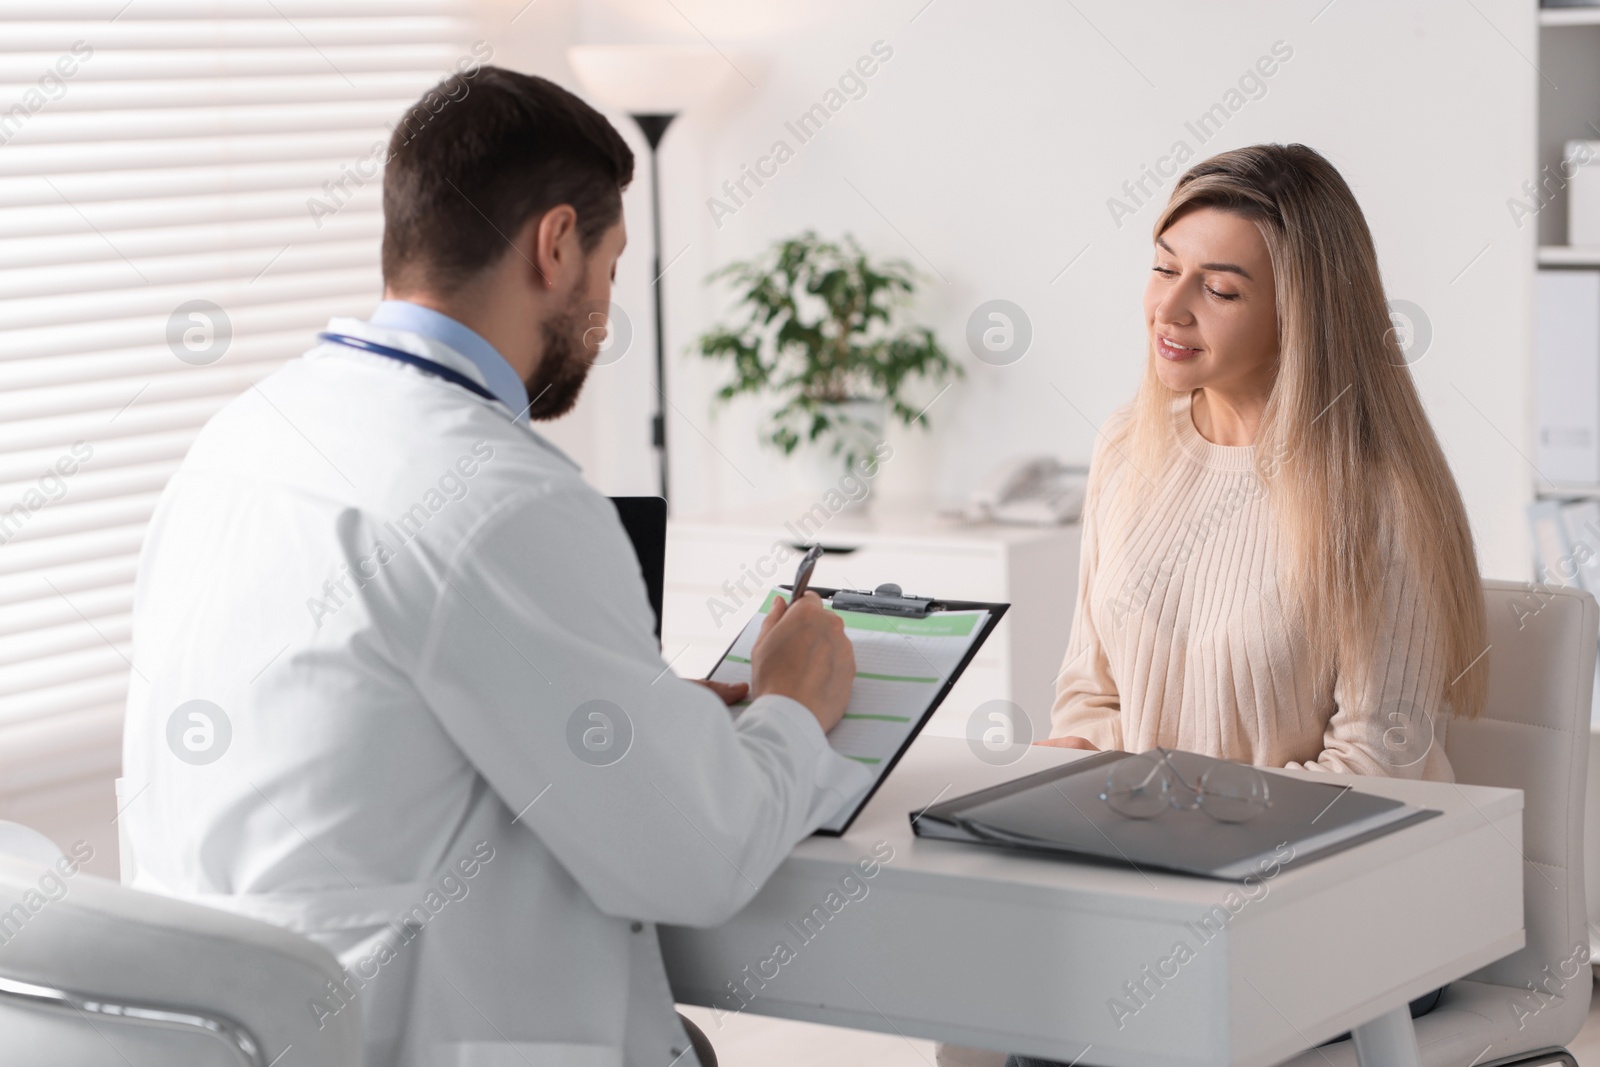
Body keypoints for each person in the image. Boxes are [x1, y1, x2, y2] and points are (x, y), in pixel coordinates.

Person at [120, 66, 870, 1067]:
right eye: (611, 263)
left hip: (234, 1029)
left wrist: (642, 715)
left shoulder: (241, 437)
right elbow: (698, 859)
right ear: (555, 243)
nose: (606, 304)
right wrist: (792, 701)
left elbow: (372, 726)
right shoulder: (501, 491)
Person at [939, 143, 1485, 1067]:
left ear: (1300, 316)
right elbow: (1089, 693)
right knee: (988, 993)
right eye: (1163, 268)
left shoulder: (1374, 491)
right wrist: (1063, 780)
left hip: (1357, 904)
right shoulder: (1127, 448)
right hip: (1164, 884)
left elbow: (1374, 769)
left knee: (1102, 1019)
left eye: (1221, 289)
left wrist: (1173, 837)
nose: (1172, 307)